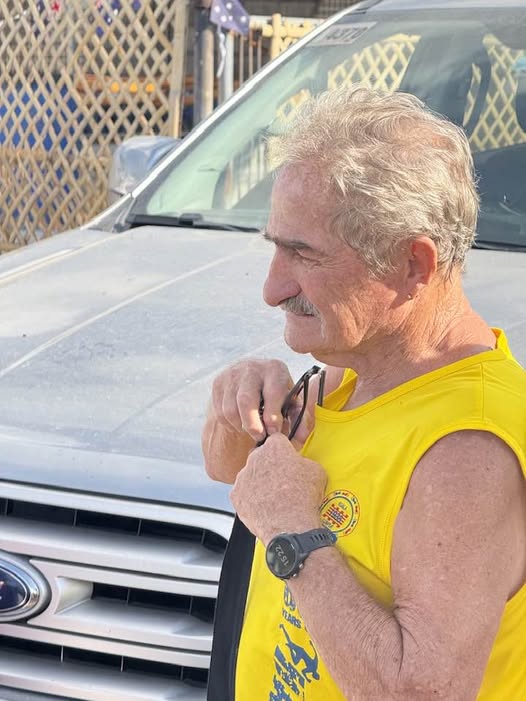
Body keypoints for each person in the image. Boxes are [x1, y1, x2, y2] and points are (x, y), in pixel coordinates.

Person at [201, 85, 526, 701]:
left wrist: (293, 531)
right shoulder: (350, 370)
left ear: (414, 265)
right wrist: (231, 406)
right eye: (276, 246)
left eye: (304, 255)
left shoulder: (467, 450)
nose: (271, 289)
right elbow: (231, 473)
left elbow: (421, 693)